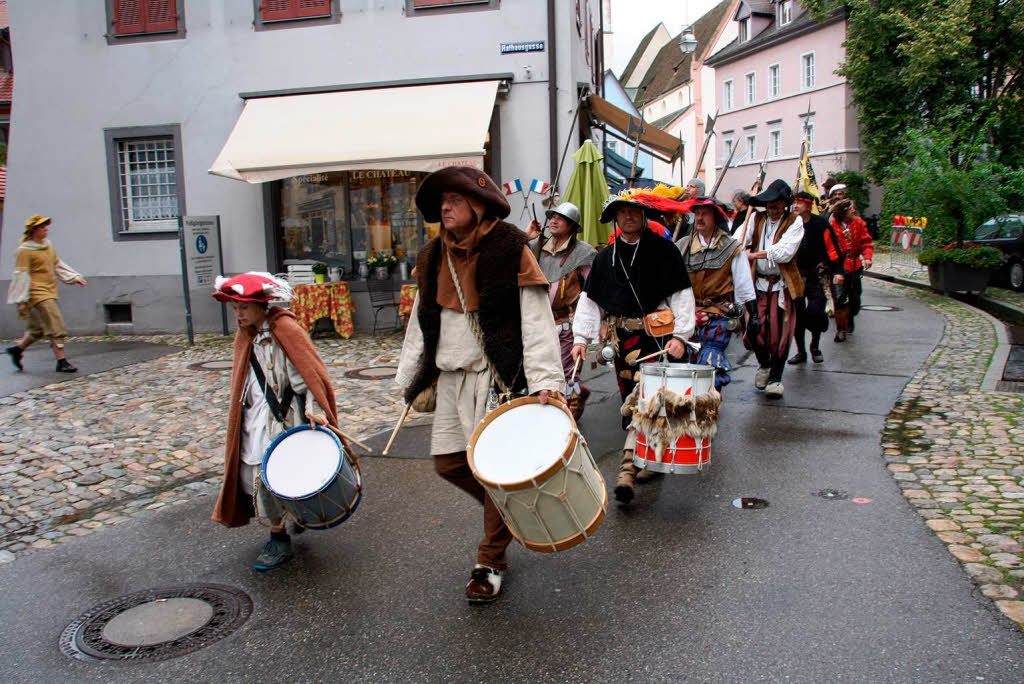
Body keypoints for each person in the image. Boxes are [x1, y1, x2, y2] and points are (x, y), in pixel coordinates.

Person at [395, 166, 564, 603]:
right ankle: (511, 510)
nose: (444, 208)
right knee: (449, 463)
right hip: (450, 379)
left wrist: (546, 380)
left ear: (477, 204)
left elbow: (535, 318)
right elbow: (421, 320)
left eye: (453, 200)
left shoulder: (511, 248)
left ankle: (489, 562)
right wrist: (410, 378)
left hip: (496, 378)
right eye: (442, 203)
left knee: (492, 472)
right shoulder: (433, 254)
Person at [570, 192, 695, 504]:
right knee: (630, 401)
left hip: (658, 340)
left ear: (644, 216)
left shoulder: (664, 251)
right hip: (621, 341)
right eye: (622, 212)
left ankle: (629, 469)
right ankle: (647, 455)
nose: (628, 217)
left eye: (633, 212)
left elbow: (681, 295)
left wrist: (680, 336)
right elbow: (589, 303)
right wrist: (581, 340)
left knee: (647, 399)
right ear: (615, 218)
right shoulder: (604, 258)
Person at [210, 272, 338, 571]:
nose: (238, 315)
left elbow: (310, 377)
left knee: (276, 476)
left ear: (260, 306)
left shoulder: (286, 330)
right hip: (255, 418)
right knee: (251, 474)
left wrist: (314, 408)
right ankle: (292, 518)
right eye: (234, 309)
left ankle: (279, 538)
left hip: (285, 418)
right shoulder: (246, 335)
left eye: (243, 308)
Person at [675, 197, 758, 390]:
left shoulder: (731, 247)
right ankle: (692, 405)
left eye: (704, 214)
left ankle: (710, 403)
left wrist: (752, 315)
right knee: (688, 361)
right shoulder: (683, 245)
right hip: (689, 313)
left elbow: (744, 285)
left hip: (720, 313)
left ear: (716, 217)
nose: (699, 218)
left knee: (710, 361)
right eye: (696, 214)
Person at [525, 202, 597, 420]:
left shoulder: (584, 253)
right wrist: (525, 237)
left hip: (567, 323)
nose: (553, 221)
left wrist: (596, 324)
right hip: (540, 322)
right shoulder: (537, 246)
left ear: (572, 226)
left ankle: (569, 418)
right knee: (543, 373)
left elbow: (594, 289)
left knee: (568, 375)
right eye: (552, 217)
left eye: (560, 218)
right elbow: (508, 252)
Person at [740, 179, 805, 399]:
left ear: (784, 204)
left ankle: (776, 378)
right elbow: (740, 239)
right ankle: (764, 365)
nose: (772, 208)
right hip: (757, 283)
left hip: (782, 284)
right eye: (769, 204)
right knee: (753, 328)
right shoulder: (756, 219)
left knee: (780, 333)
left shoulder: (794, 222)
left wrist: (756, 254)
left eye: (776, 204)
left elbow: (784, 252)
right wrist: (736, 247)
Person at [5, 215, 87, 373]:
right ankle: (61, 361)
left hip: (50, 289)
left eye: (46, 226)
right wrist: (20, 301)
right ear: (34, 230)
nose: (46, 229)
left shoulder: (47, 245)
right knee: (56, 323)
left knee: (37, 329)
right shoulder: (24, 251)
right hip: (36, 292)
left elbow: (57, 264)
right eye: (42, 227)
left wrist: (74, 277)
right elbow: (21, 275)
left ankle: (17, 350)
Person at [788, 192, 831, 364]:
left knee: (815, 312)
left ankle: (815, 347)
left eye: (800, 202)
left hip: (815, 276)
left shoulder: (820, 223)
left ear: (808, 205)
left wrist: (834, 270)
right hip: (796, 276)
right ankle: (801, 352)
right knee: (797, 315)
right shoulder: (790, 222)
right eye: (795, 202)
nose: (796, 205)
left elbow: (830, 246)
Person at [824, 198, 874, 342]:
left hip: (855, 266)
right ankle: (841, 329)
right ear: (844, 211)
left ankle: (850, 315)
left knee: (855, 299)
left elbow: (866, 242)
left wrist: (867, 257)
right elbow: (829, 247)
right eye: (851, 208)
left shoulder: (858, 222)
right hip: (838, 267)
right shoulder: (832, 225)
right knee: (839, 299)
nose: (854, 210)